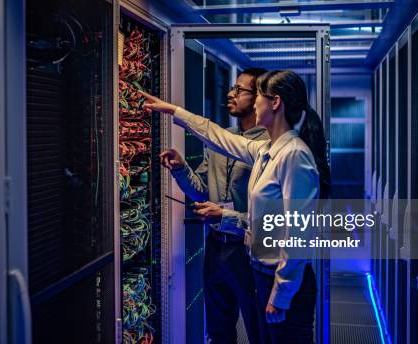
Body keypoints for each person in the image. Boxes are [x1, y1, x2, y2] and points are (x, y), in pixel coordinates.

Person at [140, 70, 330, 343]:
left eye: (259, 96)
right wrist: (173, 111)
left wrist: (281, 294)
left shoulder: (294, 155)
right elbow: (217, 136)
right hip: (263, 273)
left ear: (274, 103)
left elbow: (298, 234)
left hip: (281, 280)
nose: (254, 104)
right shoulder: (266, 150)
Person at [160, 68, 269, 344]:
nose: (231, 94)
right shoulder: (220, 141)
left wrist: (226, 215)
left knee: (259, 329)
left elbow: (273, 219)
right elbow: (200, 192)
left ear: (258, 98)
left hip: (250, 250)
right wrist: (181, 168)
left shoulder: (269, 146)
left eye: (239, 90)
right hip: (217, 247)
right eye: (232, 88)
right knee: (218, 330)